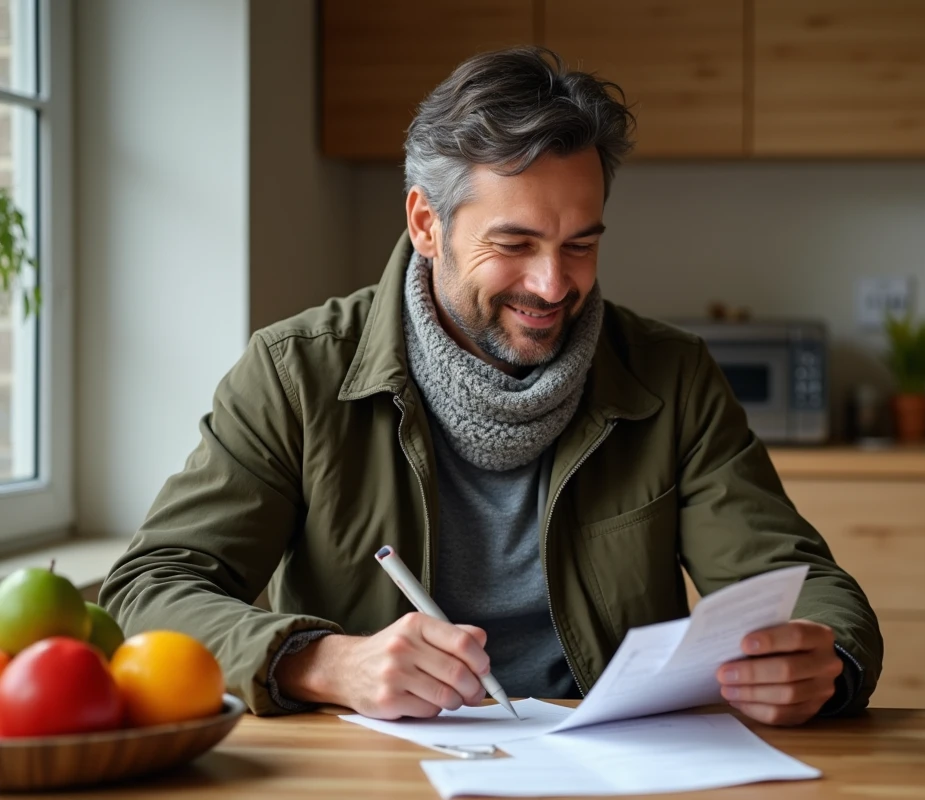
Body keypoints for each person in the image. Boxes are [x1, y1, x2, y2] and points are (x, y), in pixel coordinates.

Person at [100, 47, 882, 727]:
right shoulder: (294, 374)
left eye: (581, 244)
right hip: (372, 774)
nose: (552, 284)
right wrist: (324, 663)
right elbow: (150, 587)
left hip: (610, 773)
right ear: (426, 223)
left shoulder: (670, 376)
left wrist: (827, 661)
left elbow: (803, 583)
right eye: (515, 243)